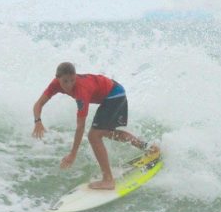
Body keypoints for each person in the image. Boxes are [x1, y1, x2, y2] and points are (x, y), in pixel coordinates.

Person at [32, 62, 158, 190]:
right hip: (113, 91)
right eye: (65, 81)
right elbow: (38, 104)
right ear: (57, 78)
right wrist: (38, 121)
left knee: (94, 136)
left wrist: (73, 154)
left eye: (72, 80)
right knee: (107, 132)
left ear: (75, 76)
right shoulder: (54, 85)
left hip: (114, 95)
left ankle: (108, 180)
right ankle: (148, 148)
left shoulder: (81, 90)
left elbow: (80, 126)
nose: (69, 85)